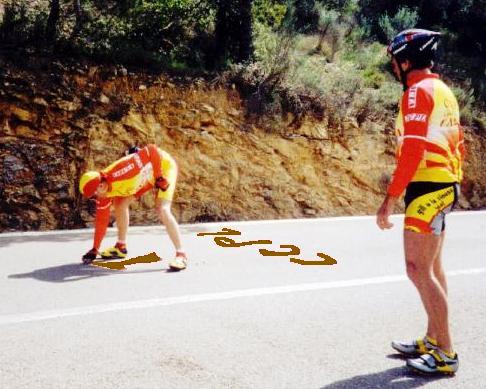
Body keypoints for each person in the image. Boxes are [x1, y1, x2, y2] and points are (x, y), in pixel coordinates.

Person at [376, 29, 465, 375]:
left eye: (395, 62)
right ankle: (433, 338)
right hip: (442, 184)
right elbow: (457, 145)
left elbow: (412, 150)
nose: (394, 69)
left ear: (407, 60)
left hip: (427, 186)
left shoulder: (417, 93)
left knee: (417, 269)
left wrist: (389, 200)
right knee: (433, 268)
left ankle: (446, 352)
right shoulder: (442, 90)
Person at [79, 144, 188, 271]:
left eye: (94, 195)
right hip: (144, 177)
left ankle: (181, 254)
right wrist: (95, 249)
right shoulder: (103, 192)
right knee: (120, 204)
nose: (94, 198)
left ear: (101, 186)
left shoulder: (123, 171)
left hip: (162, 166)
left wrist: (159, 177)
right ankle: (120, 247)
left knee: (162, 209)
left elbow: (151, 150)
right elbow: (101, 221)